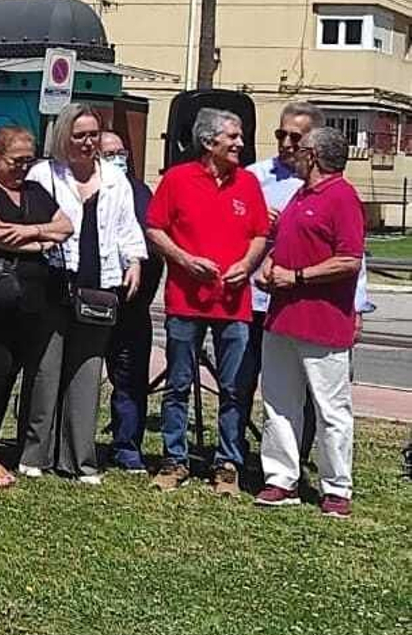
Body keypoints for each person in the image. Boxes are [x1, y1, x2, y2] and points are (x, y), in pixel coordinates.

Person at [144, 108, 268, 496]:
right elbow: (155, 228)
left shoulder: (248, 182)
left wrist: (247, 265)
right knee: (178, 384)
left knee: (234, 388)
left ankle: (227, 463)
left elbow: (260, 234)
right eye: (233, 137)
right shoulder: (177, 179)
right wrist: (184, 260)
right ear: (209, 141)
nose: (240, 144)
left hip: (233, 304)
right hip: (185, 302)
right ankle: (174, 459)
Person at [24, 105, 147, 483]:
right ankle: (35, 453)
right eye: (79, 135)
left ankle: (79, 459)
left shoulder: (114, 178)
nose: (88, 142)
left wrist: (134, 261)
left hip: (98, 286)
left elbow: (127, 227)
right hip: (54, 281)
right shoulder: (44, 174)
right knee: (46, 371)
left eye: (93, 134)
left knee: (87, 372)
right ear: (64, 137)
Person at [253, 126, 363, 518]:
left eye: (299, 148)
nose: (292, 152)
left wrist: (297, 277)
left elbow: (349, 259)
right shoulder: (299, 196)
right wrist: (269, 267)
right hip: (282, 317)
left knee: (331, 409)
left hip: (323, 322)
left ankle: (336, 487)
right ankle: (281, 478)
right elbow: (283, 244)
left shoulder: (342, 197)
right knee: (279, 402)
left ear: (313, 155)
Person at [0, 125, 73, 487]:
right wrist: (41, 239)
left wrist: (27, 232)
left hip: (30, 299)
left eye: (29, 160)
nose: (23, 167)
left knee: (10, 372)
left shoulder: (35, 191)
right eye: (16, 160)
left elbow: (65, 226)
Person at [234, 101, 322, 466]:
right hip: (253, 299)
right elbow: (227, 226)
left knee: (300, 387)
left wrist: (358, 306)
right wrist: (254, 222)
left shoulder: (325, 184)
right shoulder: (253, 176)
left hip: (300, 302)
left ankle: (293, 459)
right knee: (240, 381)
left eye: (295, 137)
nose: (286, 143)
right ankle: (232, 455)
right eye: (280, 134)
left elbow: (348, 249)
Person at [99, 130, 163, 472]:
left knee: (131, 378)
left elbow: (152, 247)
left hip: (133, 305)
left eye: (121, 152)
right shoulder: (87, 187)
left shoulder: (141, 192)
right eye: (109, 153)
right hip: (94, 299)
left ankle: (127, 446)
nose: (117, 158)